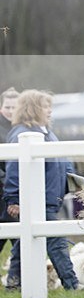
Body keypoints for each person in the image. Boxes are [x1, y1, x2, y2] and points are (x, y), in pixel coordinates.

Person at [3, 89, 81, 291]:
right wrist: (13, 198)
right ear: (33, 108)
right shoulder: (22, 134)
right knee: (57, 242)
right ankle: (72, 284)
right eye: (46, 107)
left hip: (50, 198)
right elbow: (14, 168)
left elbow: (63, 162)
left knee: (25, 243)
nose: (50, 111)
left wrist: (75, 182)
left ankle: (13, 283)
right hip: (35, 199)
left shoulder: (48, 133)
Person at [0, 87, 20, 256]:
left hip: (18, 192)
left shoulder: (24, 128)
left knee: (20, 241)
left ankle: (16, 279)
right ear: (1, 108)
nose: (10, 111)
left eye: (14, 107)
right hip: (2, 189)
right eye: (7, 107)